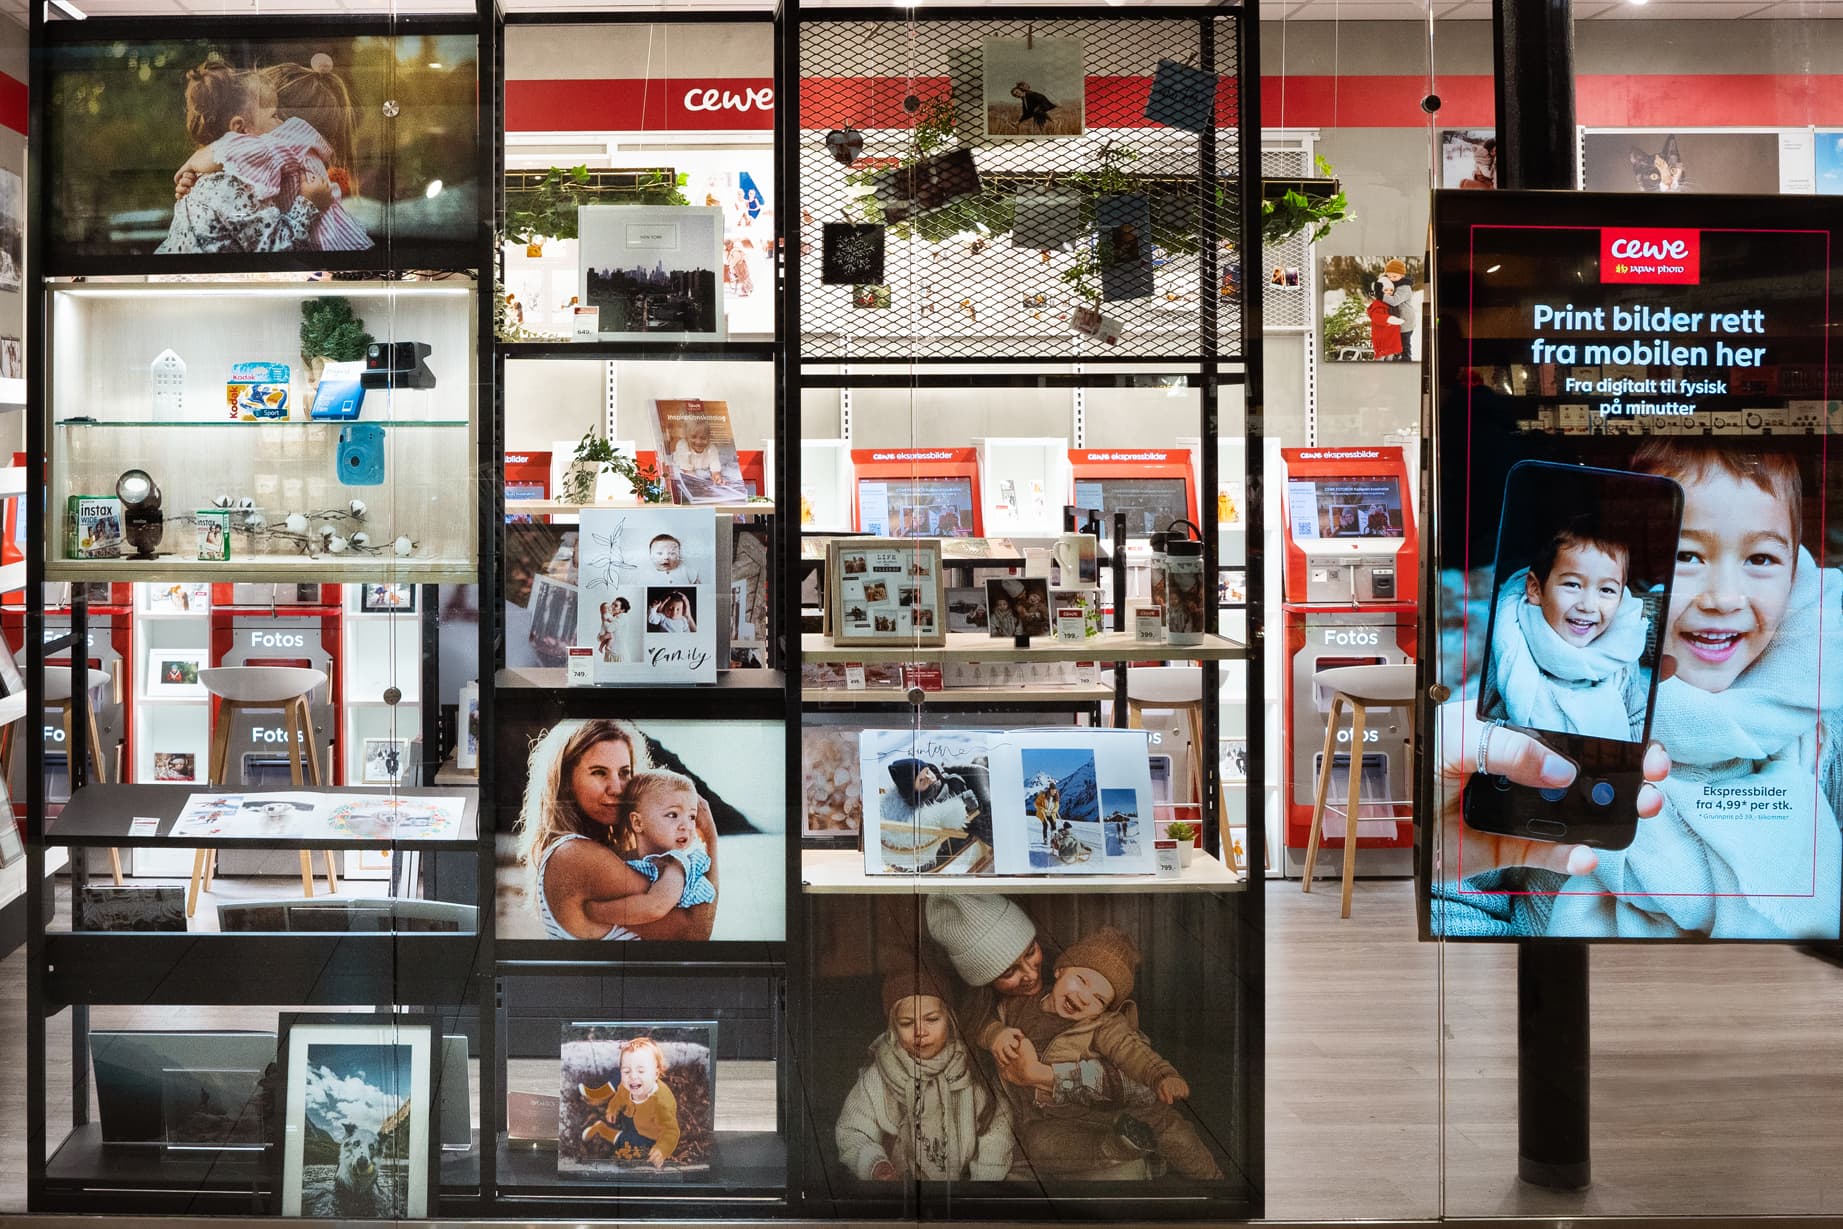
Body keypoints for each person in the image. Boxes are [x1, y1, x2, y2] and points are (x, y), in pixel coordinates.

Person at [1547, 442, 1843, 938]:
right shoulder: (1555, 708)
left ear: (1795, 575)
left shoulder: (1824, 728)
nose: (1724, 597)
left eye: (1762, 558)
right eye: (1686, 555)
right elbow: (1464, 891)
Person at [925, 895, 1161, 1178]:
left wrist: (1045, 1076)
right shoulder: (993, 1017)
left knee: (1122, 1176)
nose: (1030, 973)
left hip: (1101, 1120)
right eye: (1009, 971)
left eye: (1029, 952)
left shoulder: (1083, 982)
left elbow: (1143, 1087)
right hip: (1044, 1140)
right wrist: (993, 1034)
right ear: (984, 982)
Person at [996, 927, 1221, 1178]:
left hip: (1121, 1109)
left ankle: (1213, 1181)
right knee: (1038, 1144)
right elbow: (987, 1023)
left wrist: (1162, 1075)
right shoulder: (1020, 1005)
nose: (1083, 997)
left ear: (1105, 1010)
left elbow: (1132, 1050)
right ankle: (1115, 1149)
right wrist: (994, 1034)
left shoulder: (1104, 1025)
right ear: (1060, 970)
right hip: (1062, 1118)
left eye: (1099, 999)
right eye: (1081, 980)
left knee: (1173, 1132)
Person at [513, 720, 719, 941]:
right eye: (599, 772)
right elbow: (694, 933)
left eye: (624, 772)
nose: (617, 788)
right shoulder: (577, 856)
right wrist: (710, 840)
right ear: (566, 782)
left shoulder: (589, 851)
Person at [165, 58, 371, 252]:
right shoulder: (234, 185)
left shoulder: (229, 174)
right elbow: (273, 249)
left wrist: (198, 162)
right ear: (240, 128)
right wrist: (308, 205)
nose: (280, 126)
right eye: (273, 116)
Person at [835, 967, 1015, 1181]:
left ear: (950, 1019)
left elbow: (997, 1127)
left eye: (932, 1019)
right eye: (907, 1023)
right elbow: (852, 1129)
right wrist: (875, 1164)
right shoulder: (879, 1074)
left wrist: (983, 1184)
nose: (921, 1031)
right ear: (893, 1028)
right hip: (899, 1187)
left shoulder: (972, 1067)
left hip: (966, 1188)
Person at [1482, 521, 1650, 740]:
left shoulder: (1621, 653)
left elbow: (1635, 717)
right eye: (1572, 585)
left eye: (1607, 590)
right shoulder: (1511, 642)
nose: (1588, 605)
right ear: (1535, 589)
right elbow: (1484, 720)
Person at [614, 770, 718, 913]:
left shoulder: (675, 865)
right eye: (673, 814)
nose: (686, 826)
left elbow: (656, 906)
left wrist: (598, 911)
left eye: (692, 817)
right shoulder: (621, 857)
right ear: (638, 823)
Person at [579, 1037, 679, 1168]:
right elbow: (619, 1096)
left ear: (655, 1074)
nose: (633, 1076)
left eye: (641, 1071)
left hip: (651, 1131)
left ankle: (602, 1129)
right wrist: (612, 1108)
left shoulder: (661, 1103)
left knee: (634, 1143)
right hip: (632, 1116)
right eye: (626, 1071)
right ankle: (602, 1126)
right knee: (628, 1124)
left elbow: (671, 1131)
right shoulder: (628, 1086)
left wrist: (662, 1149)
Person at [1379, 259, 1418, 361]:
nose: (1391, 278)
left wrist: (1380, 295)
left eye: (1394, 276)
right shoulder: (1392, 284)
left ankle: (1406, 360)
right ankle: (1396, 358)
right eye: (1389, 276)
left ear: (1402, 275)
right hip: (1397, 321)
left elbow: (1394, 301)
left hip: (1405, 322)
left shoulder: (1404, 287)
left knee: (1404, 344)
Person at [1365, 279, 1402, 362]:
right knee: (1380, 360)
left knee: (1390, 358)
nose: (1389, 292)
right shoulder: (1378, 304)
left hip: (1392, 339)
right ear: (1380, 291)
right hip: (1382, 339)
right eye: (1385, 290)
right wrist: (1388, 319)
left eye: (1391, 290)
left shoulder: (1392, 304)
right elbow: (1376, 317)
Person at [599, 597, 632, 663]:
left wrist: (604, 620)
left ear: (622, 610)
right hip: (609, 654)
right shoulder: (612, 617)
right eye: (612, 604)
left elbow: (609, 629)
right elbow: (600, 637)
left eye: (616, 605)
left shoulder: (623, 617)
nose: (612, 606)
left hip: (619, 655)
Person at [1035, 781, 1060, 847]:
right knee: (1045, 825)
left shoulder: (1056, 797)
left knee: (1054, 826)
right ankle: (1045, 839)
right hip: (1044, 814)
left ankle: (1053, 840)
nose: (1054, 792)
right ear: (1050, 790)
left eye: (1055, 790)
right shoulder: (1043, 796)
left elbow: (1057, 806)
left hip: (1051, 814)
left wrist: (1054, 810)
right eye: (1053, 790)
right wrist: (1042, 809)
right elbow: (1036, 803)